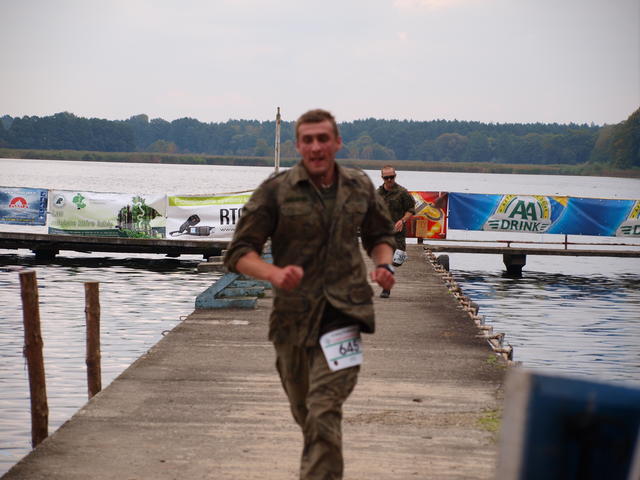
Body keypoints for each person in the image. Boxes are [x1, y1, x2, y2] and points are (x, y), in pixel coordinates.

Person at [223, 109, 396, 480]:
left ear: (337, 142)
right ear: (298, 145)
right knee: (306, 413)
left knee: (323, 410)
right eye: (308, 140)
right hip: (293, 320)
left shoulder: (358, 185)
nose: (316, 147)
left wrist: (384, 265)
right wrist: (273, 273)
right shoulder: (276, 190)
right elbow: (239, 252)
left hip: (345, 315)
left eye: (323, 139)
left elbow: (381, 235)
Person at [376, 165, 416, 298]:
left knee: (397, 261)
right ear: (382, 178)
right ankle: (386, 288)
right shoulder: (377, 194)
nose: (389, 180)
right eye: (386, 177)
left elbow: (411, 209)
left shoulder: (402, 192)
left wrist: (402, 220)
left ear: (395, 176)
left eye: (391, 177)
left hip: (398, 233)